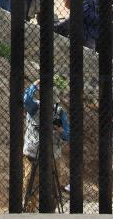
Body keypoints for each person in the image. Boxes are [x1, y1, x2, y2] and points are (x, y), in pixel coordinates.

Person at [22, 80, 70, 212]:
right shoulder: (34, 107)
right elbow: (26, 99)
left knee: (53, 189)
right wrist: (35, 84)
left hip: (52, 155)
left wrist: (59, 130)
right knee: (29, 187)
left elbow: (68, 135)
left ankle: (50, 212)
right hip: (33, 153)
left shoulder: (60, 112)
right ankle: (29, 212)